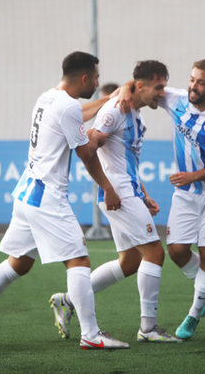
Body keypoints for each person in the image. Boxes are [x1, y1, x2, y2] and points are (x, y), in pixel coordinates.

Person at [0, 51, 129, 350]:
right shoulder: (68, 106)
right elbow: (85, 152)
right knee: (79, 259)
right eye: (96, 78)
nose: (97, 83)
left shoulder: (48, 97)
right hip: (47, 197)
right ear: (84, 77)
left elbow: (78, 113)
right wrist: (108, 187)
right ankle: (91, 334)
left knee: (19, 262)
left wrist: (109, 99)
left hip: (26, 193)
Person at [49, 60, 180, 343]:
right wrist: (108, 187)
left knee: (130, 261)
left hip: (127, 193)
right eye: (158, 87)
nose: (162, 93)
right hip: (119, 195)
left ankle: (68, 300)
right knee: (155, 254)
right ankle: (148, 329)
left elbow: (126, 162)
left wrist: (143, 194)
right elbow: (90, 146)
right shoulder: (115, 110)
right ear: (140, 86)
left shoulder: (137, 116)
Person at [155, 59, 205, 340]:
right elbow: (145, 86)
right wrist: (123, 93)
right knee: (176, 251)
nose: (193, 86)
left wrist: (194, 175)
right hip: (186, 195)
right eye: (192, 79)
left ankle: (193, 315)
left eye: (200, 82)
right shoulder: (177, 101)